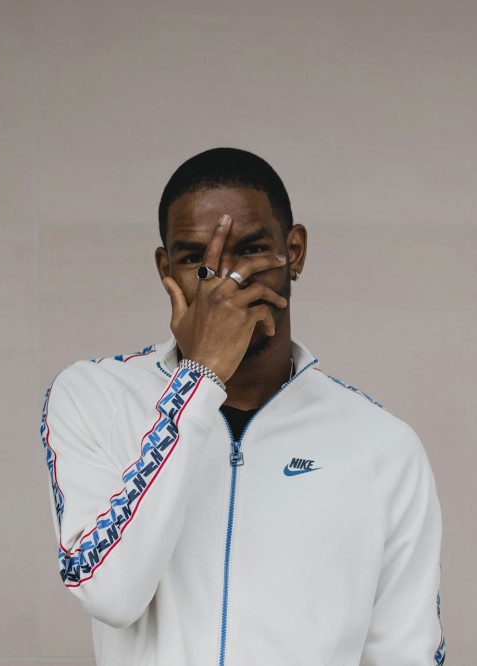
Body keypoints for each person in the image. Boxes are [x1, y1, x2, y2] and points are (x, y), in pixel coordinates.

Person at [40, 147, 446, 666]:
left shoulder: (382, 445)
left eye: (251, 251)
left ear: (294, 252)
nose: (223, 284)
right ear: (166, 269)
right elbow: (110, 593)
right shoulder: (93, 396)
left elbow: (405, 654)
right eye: (196, 260)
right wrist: (200, 378)